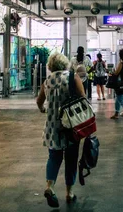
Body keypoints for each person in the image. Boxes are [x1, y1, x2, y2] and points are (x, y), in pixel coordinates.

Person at [36, 52, 86, 207]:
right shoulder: (72, 77)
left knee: (54, 157)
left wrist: (43, 109)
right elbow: (83, 98)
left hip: (52, 126)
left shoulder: (47, 81)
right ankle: (69, 192)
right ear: (65, 64)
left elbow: (39, 101)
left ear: (50, 66)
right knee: (71, 159)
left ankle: (49, 187)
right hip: (70, 125)